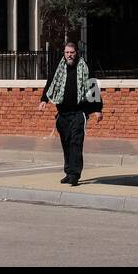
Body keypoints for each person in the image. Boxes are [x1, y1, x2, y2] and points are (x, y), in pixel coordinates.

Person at [37, 41, 103, 185]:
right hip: (63, 113)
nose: (69, 55)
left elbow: (93, 85)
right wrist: (44, 100)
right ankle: (68, 172)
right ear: (64, 53)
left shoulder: (84, 67)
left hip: (79, 112)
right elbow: (51, 83)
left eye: (72, 52)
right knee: (66, 142)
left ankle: (75, 174)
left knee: (76, 142)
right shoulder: (59, 67)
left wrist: (98, 109)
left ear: (76, 53)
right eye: (67, 53)